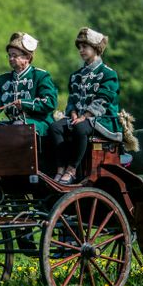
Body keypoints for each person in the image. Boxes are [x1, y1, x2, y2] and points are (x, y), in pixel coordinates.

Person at [49, 27, 122, 185]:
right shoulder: (76, 75)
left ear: (95, 48)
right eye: (79, 47)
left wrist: (84, 117)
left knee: (80, 128)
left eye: (85, 47)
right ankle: (60, 169)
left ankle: (72, 169)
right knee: (55, 127)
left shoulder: (109, 74)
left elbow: (103, 100)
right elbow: (73, 100)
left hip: (102, 120)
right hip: (79, 118)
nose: (81, 50)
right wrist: (74, 114)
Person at [0, 32, 58, 136]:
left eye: (14, 55)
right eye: (9, 55)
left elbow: (50, 102)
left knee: (18, 127)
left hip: (39, 123)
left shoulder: (41, 76)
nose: (10, 59)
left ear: (27, 57)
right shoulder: (3, 79)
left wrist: (24, 103)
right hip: (13, 124)